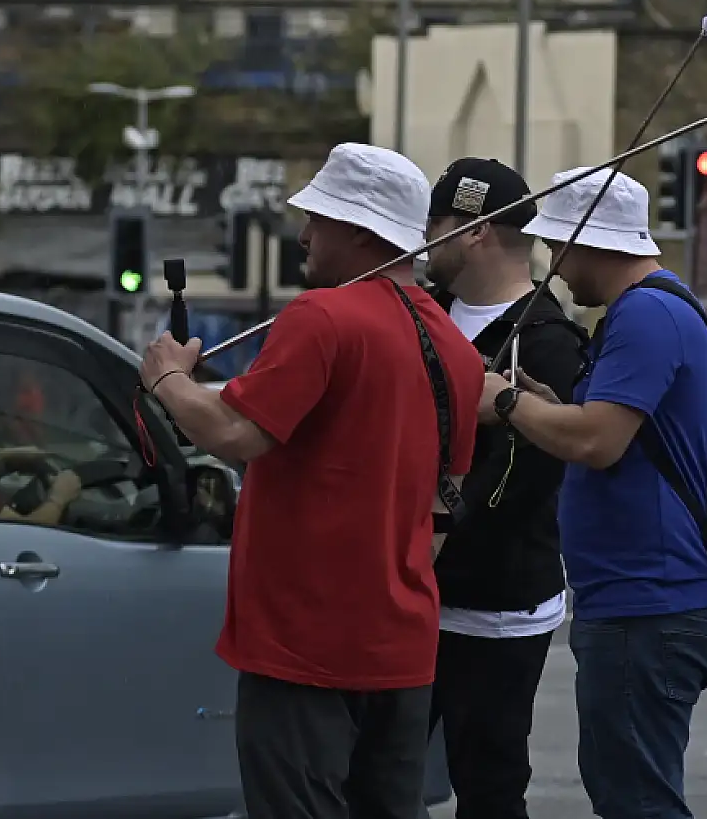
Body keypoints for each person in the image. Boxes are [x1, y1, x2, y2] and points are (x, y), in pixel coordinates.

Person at [139, 142, 485, 819]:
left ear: (359, 230)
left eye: (317, 218)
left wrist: (169, 379)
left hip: (305, 645)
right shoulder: (456, 348)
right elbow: (444, 499)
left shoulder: (321, 316)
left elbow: (235, 431)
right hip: (402, 644)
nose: (303, 235)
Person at [475, 168, 707, 819]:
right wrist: (545, 406)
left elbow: (598, 441)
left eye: (557, 245)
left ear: (590, 241)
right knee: (627, 788)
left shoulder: (645, 314)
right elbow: (609, 430)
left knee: (636, 799)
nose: (554, 267)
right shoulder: (651, 309)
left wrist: (505, 402)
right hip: (637, 597)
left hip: (648, 598)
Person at [421, 158, 587, 819]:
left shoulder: (547, 342)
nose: (423, 240)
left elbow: (529, 475)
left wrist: (439, 534)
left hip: (496, 604)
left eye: (435, 225)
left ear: (474, 230)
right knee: (375, 771)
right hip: (409, 594)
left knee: (487, 783)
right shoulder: (423, 316)